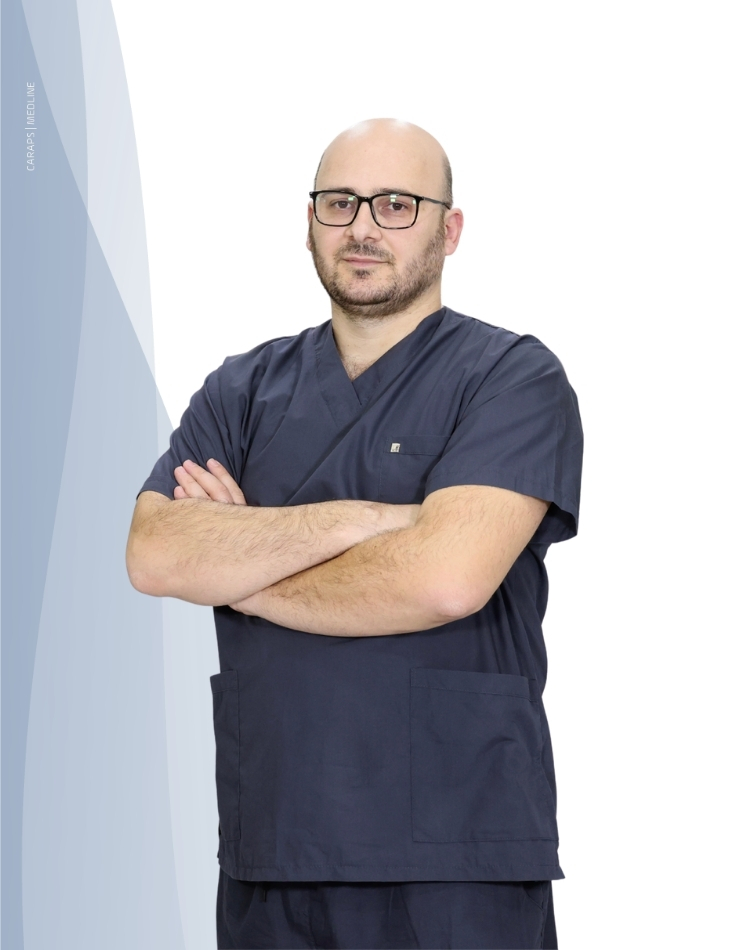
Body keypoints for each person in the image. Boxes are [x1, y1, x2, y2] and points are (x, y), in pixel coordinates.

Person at [126, 118, 583, 950]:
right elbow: (155, 555)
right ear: (309, 223)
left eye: (396, 204)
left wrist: (238, 566)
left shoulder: (511, 378)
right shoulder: (242, 391)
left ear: (449, 230)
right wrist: (371, 519)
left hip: (455, 850)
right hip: (276, 843)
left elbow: (445, 580)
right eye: (339, 203)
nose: (363, 227)